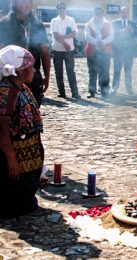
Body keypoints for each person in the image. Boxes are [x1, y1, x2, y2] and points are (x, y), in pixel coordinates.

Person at [0, 45, 44, 218]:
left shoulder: (21, 87)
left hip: (27, 150)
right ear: (20, 70)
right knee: (14, 200)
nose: (33, 70)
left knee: (27, 199)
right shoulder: (6, 92)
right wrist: (12, 160)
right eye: (30, 67)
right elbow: (2, 130)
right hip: (15, 153)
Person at [0, 0, 51, 107]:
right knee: (9, 113)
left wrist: (47, 77)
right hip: (10, 78)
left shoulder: (38, 25)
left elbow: (45, 52)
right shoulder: (4, 24)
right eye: (22, 1)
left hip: (32, 76)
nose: (25, 4)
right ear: (14, 3)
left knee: (33, 110)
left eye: (28, 1)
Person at [50, 2, 80, 99]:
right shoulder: (54, 21)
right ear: (57, 9)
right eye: (60, 8)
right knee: (59, 72)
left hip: (69, 50)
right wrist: (65, 43)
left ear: (66, 9)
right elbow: (55, 35)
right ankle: (61, 92)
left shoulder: (71, 20)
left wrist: (63, 37)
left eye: (63, 8)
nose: (62, 9)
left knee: (70, 71)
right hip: (58, 49)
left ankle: (75, 93)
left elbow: (74, 33)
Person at [84, 6, 114, 99]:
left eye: (100, 13)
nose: (98, 15)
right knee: (92, 72)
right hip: (92, 51)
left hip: (105, 51)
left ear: (102, 14)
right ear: (94, 14)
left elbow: (112, 36)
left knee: (105, 72)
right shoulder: (89, 24)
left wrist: (103, 42)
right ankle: (92, 91)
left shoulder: (108, 24)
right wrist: (97, 42)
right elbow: (87, 36)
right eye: (96, 13)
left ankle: (104, 92)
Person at [110, 6, 137, 96]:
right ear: (120, 13)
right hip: (118, 51)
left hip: (128, 52)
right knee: (117, 71)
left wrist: (132, 31)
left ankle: (129, 89)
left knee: (128, 71)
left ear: (128, 13)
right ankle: (114, 88)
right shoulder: (114, 22)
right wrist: (122, 31)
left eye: (126, 12)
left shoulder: (132, 23)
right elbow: (112, 34)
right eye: (122, 12)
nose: (124, 14)